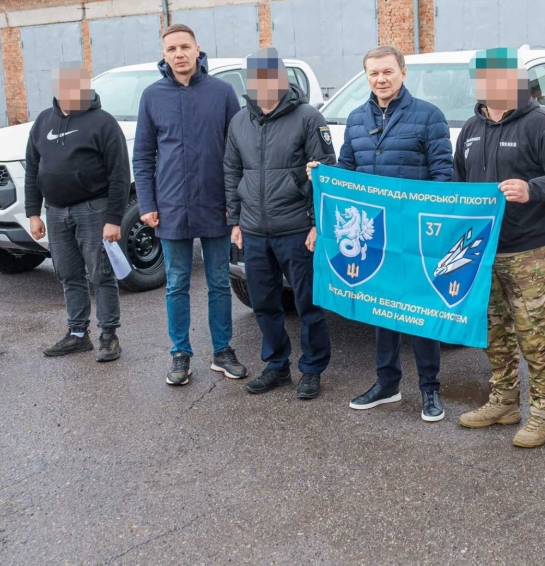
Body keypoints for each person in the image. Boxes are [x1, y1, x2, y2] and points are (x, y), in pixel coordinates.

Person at [308, 45, 454, 421]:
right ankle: (387, 383)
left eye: (387, 72)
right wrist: (322, 177)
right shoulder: (356, 120)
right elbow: (346, 174)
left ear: (402, 72)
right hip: (375, 235)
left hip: (413, 234)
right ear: (366, 77)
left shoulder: (428, 117)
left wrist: (434, 228)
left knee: (420, 313)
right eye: (373, 73)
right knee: (382, 311)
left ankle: (430, 390)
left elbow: (443, 175)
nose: (380, 79)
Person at [453, 47, 545, 448]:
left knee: (533, 334)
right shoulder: (471, 128)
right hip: (483, 250)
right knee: (493, 331)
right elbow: (459, 183)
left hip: (527, 251)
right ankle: (504, 401)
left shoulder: (542, 124)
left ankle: (544, 413)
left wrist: (533, 189)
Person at [134, 24, 247, 386]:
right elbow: (143, 156)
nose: (179, 54)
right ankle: (180, 352)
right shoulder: (152, 96)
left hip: (216, 206)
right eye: (172, 49)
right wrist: (148, 203)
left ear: (198, 50)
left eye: (185, 47)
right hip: (170, 208)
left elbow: (237, 153)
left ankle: (222, 351)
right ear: (164, 54)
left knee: (217, 281)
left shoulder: (223, 93)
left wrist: (236, 206)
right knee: (177, 283)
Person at [224, 48, 335, 399]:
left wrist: (319, 224)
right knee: (264, 303)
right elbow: (231, 171)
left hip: (297, 229)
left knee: (307, 305)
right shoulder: (240, 121)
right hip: (255, 231)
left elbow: (325, 174)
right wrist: (235, 220)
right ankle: (276, 366)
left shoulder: (308, 117)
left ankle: (312, 368)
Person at [24, 63, 130, 362]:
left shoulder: (104, 123)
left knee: (101, 274)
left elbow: (120, 174)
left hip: (93, 210)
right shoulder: (44, 121)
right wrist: (34, 212)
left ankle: (108, 335)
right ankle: (77, 334)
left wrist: (113, 219)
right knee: (69, 274)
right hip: (55, 212)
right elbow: (33, 167)